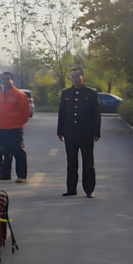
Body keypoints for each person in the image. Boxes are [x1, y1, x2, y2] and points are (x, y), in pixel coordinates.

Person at [57, 68, 101, 198]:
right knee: (71, 163)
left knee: (88, 162)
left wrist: (96, 131)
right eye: (72, 77)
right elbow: (62, 113)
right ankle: (71, 189)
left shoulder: (91, 93)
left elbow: (96, 114)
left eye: (77, 76)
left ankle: (89, 189)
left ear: (83, 77)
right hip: (70, 133)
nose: (75, 79)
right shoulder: (66, 93)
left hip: (86, 134)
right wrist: (60, 131)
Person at [0, 72, 30, 183]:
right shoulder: (1, 94)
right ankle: (5, 174)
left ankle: (22, 175)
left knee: (18, 151)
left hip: (15, 127)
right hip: (3, 127)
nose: (5, 81)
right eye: (4, 79)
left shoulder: (19, 94)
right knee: (6, 151)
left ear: (13, 80)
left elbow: (26, 112)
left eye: (8, 79)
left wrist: (19, 123)